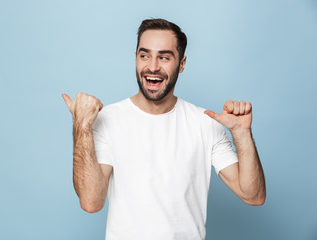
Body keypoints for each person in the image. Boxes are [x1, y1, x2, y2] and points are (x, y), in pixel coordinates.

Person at [62, 18, 266, 240]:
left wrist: (242, 133)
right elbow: (91, 202)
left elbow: (253, 196)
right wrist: (82, 125)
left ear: (182, 63)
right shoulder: (108, 119)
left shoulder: (205, 123)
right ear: (135, 59)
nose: (152, 66)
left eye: (164, 57)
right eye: (144, 55)